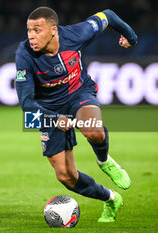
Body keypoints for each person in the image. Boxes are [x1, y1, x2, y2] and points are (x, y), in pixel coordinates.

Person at [15, 6, 137, 222]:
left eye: (37, 30)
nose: (31, 36)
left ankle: (104, 161)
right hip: (48, 109)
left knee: (93, 130)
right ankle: (110, 199)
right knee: (65, 175)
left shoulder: (75, 34)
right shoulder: (24, 54)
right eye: (29, 30)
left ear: (53, 30)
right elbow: (27, 105)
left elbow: (107, 16)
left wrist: (131, 36)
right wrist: (54, 119)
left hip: (78, 93)